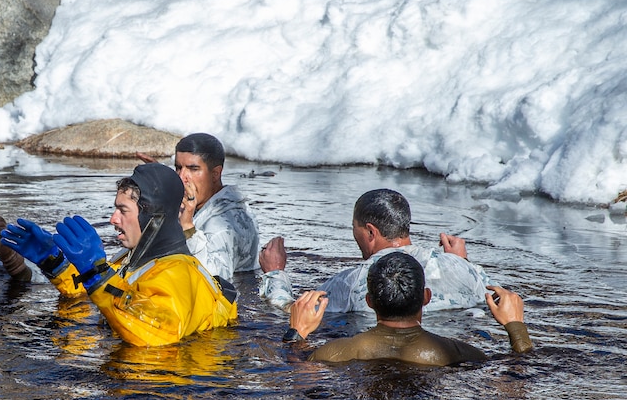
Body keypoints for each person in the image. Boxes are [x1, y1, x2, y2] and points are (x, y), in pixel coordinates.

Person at [0, 162, 237, 347]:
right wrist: (54, 262)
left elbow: (156, 332)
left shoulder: (179, 273)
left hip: (165, 399)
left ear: (152, 218)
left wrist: (96, 272)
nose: (113, 219)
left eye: (123, 210)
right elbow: (95, 293)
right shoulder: (134, 260)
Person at [259, 188, 493, 313]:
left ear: (370, 232)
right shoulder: (459, 267)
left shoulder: (354, 280)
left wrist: (275, 273)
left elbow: (294, 311)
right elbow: (495, 298)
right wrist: (463, 263)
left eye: (355, 228)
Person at [283, 251, 533, 365]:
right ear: (426, 297)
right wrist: (516, 328)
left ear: (369, 302)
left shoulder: (331, 354)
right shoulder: (461, 354)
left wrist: (296, 336)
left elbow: (295, 378)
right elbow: (520, 374)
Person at [138, 133, 260, 281]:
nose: (181, 177)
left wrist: (188, 227)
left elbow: (212, 279)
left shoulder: (225, 225)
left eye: (193, 169)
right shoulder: (200, 202)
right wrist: (163, 180)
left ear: (215, 174)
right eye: (178, 168)